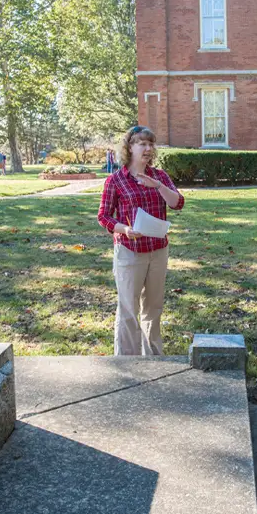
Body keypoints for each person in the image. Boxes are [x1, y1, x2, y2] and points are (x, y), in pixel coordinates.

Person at [97, 126, 185, 355]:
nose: (147, 148)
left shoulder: (160, 176)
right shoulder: (115, 180)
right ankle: (126, 361)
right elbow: (103, 216)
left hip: (158, 250)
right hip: (129, 250)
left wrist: (157, 186)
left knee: (153, 308)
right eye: (141, 143)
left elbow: (177, 203)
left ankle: (154, 358)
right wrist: (124, 229)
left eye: (150, 144)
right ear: (129, 147)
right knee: (128, 309)